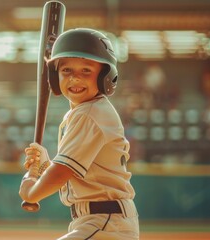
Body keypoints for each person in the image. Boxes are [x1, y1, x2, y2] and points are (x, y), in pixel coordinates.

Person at [19, 28, 139, 239]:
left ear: (105, 76)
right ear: (55, 76)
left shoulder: (90, 114)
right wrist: (45, 164)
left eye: (86, 70)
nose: (75, 78)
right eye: (66, 71)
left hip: (105, 221)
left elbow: (62, 172)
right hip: (99, 221)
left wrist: (31, 190)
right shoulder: (84, 112)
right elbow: (75, 176)